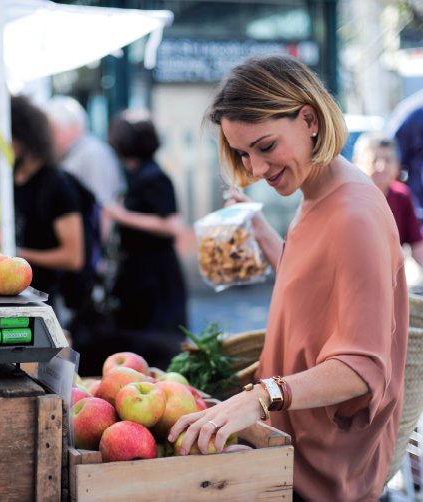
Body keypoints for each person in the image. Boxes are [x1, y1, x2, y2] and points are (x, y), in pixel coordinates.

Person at [167, 54, 408, 501]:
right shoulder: (317, 191)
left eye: (265, 146)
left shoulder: (353, 213)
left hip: (323, 472)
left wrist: (259, 398)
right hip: (292, 448)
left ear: (310, 119)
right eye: (243, 153)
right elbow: (318, 285)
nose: (256, 169)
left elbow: (363, 367)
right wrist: (266, 237)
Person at [104, 108, 188, 370]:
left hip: (156, 279)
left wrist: (121, 215)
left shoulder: (154, 176)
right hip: (142, 278)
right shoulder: (141, 174)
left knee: (159, 349)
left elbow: (172, 224)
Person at [0, 95, 86, 312]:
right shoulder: (4, 180)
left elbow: (73, 257)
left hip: (46, 303)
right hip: (10, 298)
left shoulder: (57, 185)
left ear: (20, 137)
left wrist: (16, 253)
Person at [45, 95, 127, 246]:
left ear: (71, 127)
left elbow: (105, 209)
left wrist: (97, 257)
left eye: (53, 129)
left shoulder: (92, 153)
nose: (49, 137)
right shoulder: (75, 153)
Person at [353, 131, 423, 267]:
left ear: (398, 166)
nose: (382, 167)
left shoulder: (402, 196)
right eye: (374, 160)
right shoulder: (346, 198)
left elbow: (418, 248)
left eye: (388, 160)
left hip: (390, 277)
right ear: (356, 163)